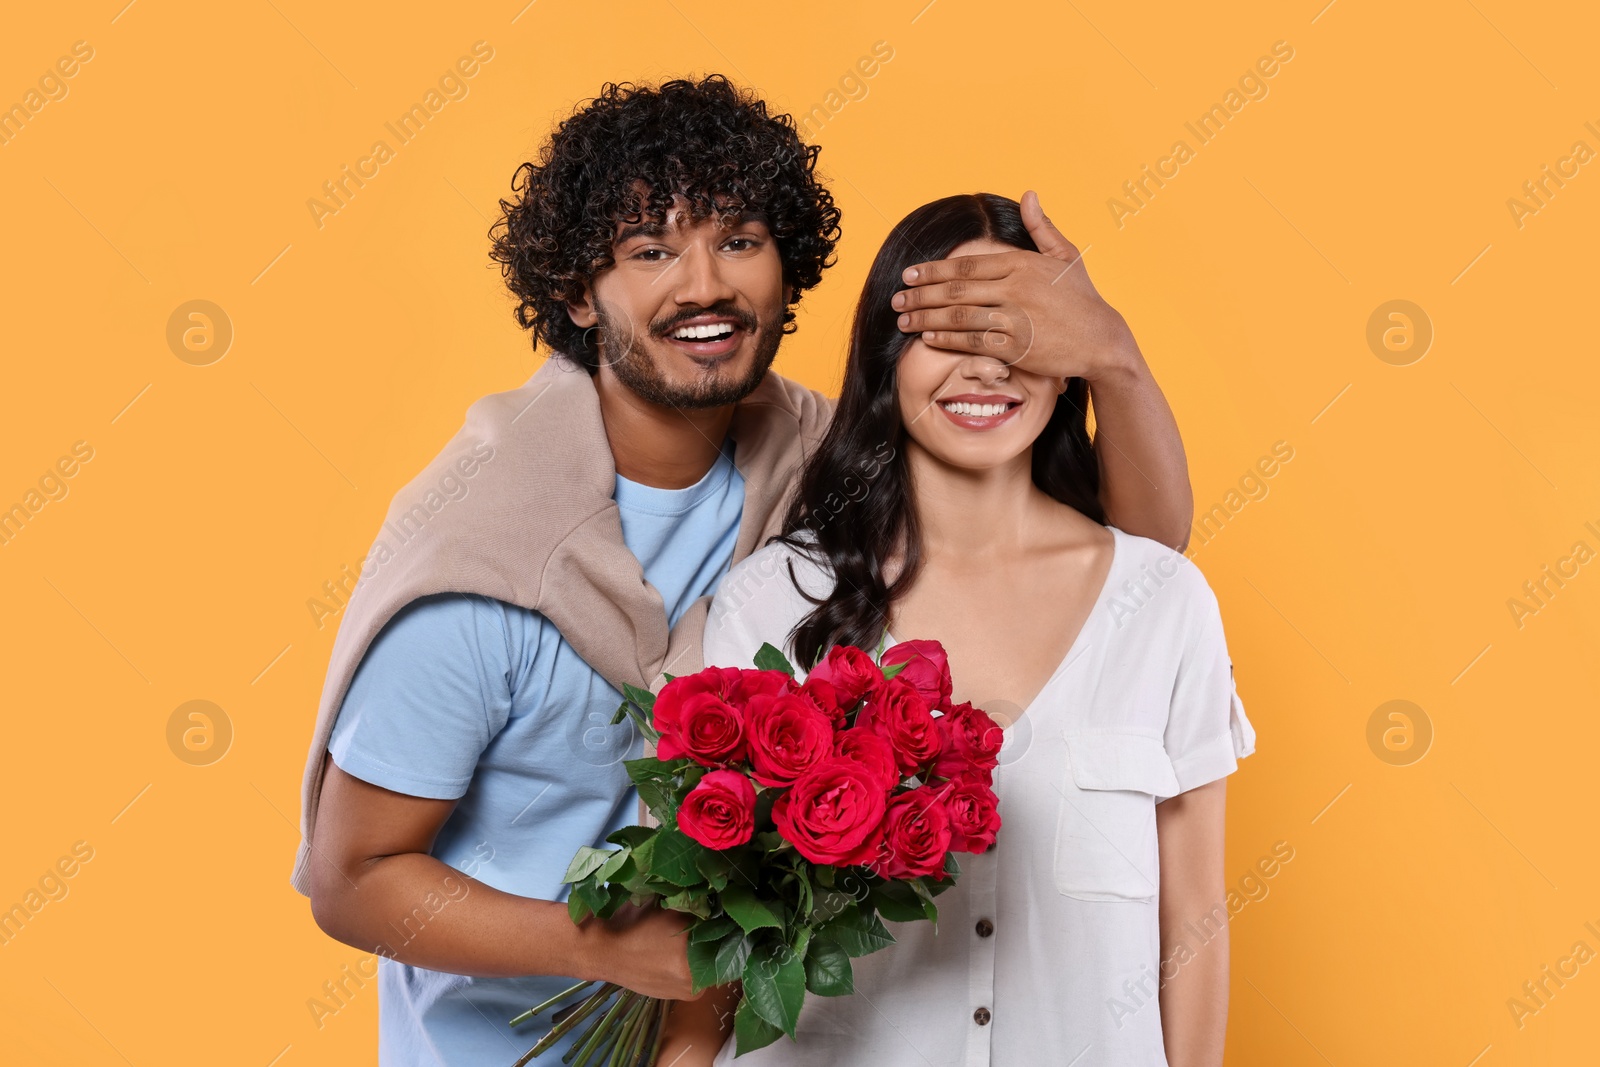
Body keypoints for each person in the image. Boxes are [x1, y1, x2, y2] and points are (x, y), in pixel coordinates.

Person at [295, 75, 1196, 1066]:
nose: (703, 285)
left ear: (788, 266)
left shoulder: (815, 460)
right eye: (649, 252)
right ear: (574, 294)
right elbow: (352, 876)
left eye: (737, 240)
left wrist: (1112, 359)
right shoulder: (487, 558)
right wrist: (611, 949)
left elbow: (1132, 573)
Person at [670, 193, 1256, 1066]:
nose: (985, 370)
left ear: (1070, 369)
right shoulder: (773, 600)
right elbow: (718, 923)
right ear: (885, 359)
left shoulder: (1164, 602)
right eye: (949, 332)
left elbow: (1195, 916)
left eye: (1015, 332)